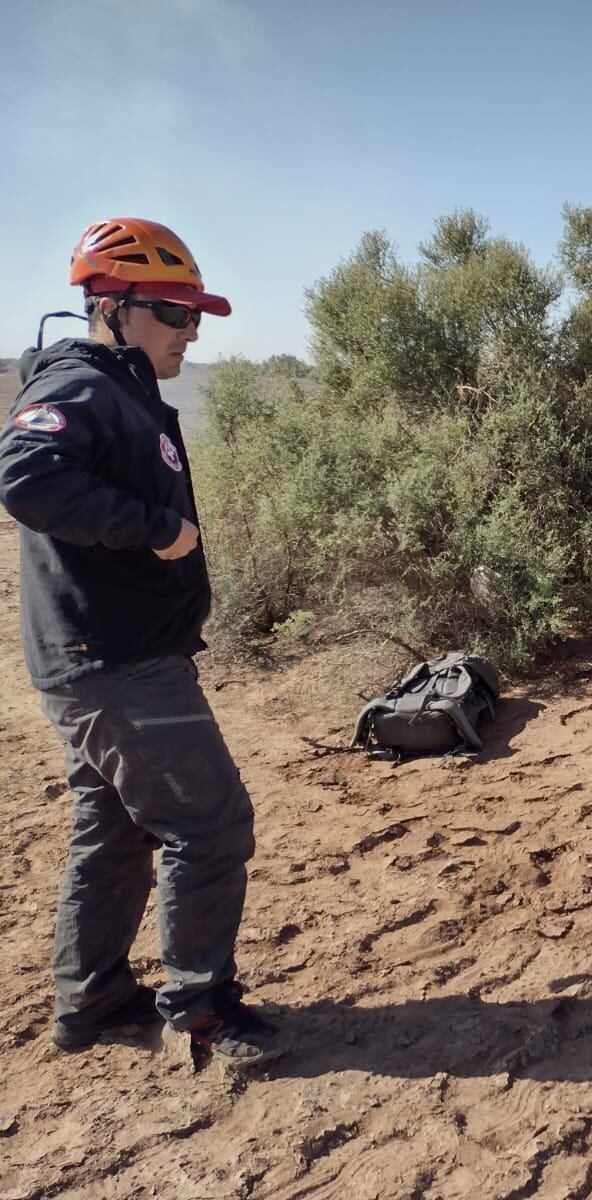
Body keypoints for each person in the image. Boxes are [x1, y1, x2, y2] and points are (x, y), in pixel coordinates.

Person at [0, 218, 292, 1064]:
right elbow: (24, 475)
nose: (189, 332)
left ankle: (90, 1002)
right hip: (116, 664)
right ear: (113, 306)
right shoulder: (81, 385)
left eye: (196, 317)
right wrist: (153, 529)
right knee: (209, 824)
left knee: (116, 828)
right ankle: (200, 1009)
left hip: (103, 657)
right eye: (173, 313)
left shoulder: (115, 387)